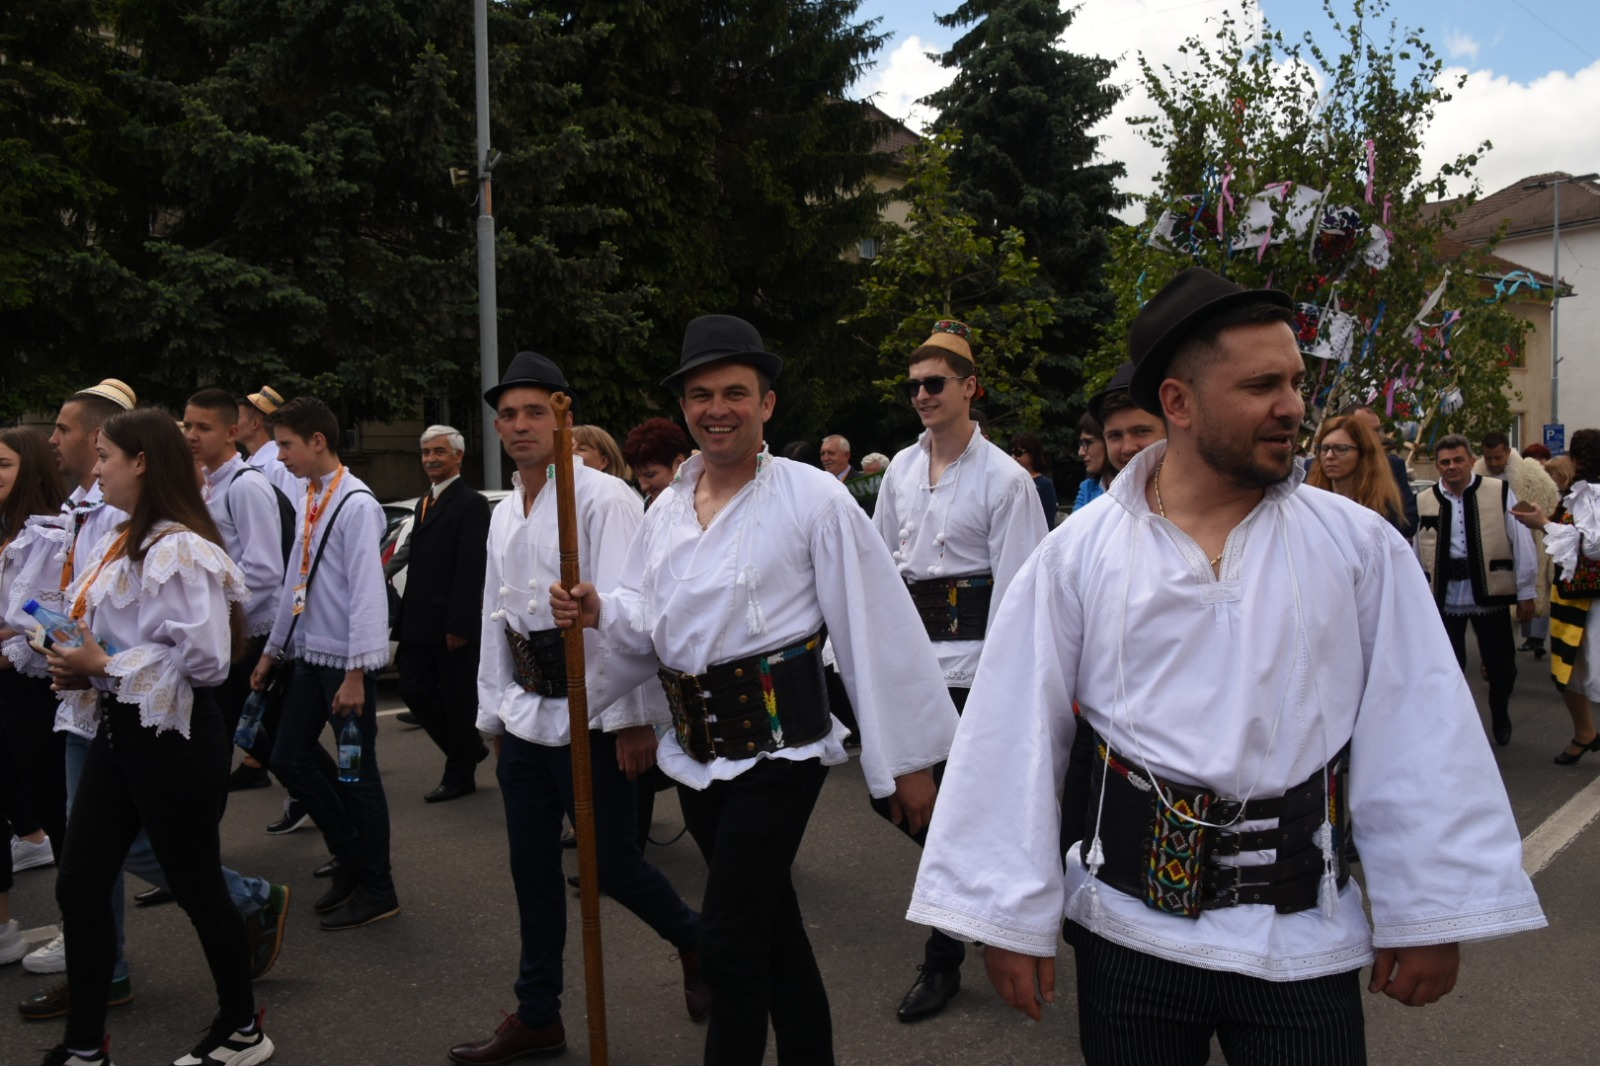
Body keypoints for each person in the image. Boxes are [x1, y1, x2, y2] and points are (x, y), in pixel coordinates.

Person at [909, 267, 1545, 1065]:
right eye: (1261, 385)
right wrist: (1008, 915)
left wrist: (1430, 909)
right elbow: (1015, 735)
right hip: (1128, 935)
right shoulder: (1078, 555)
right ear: (1178, 403)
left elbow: (1419, 724)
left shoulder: (1357, 547)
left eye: (1295, 382)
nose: (1293, 406)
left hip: (1303, 939)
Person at [552, 314, 958, 1065]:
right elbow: (649, 617)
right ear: (684, 406)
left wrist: (906, 762)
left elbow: (872, 626)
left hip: (781, 749)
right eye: (701, 395)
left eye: (735, 393)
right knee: (775, 932)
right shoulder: (665, 508)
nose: (718, 409)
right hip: (698, 754)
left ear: (766, 403)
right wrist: (601, 607)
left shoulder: (814, 498)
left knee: (730, 943)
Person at [446, 352, 708, 1064]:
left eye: (535, 411)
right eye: (509, 414)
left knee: (612, 868)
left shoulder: (602, 499)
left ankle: (695, 940)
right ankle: (539, 1015)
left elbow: (632, 610)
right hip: (528, 715)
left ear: (563, 417)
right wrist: (495, 717)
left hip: (595, 712)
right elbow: (497, 618)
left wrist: (634, 719)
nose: (520, 425)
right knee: (531, 871)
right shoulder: (507, 511)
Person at [43, 407, 272, 1066]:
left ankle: (242, 1029)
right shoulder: (120, 539)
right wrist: (80, 663)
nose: (97, 470)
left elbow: (207, 661)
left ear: (141, 462)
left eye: (106, 457)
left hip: (175, 741)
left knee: (197, 888)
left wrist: (103, 664)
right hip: (121, 733)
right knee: (79, 885)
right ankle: (84, 1046)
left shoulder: (176, 547)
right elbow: (118, 643)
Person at [874, 318, 1048, 1021]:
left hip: (972, 667)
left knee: (951, 810)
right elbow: (880, 562)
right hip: (913, 661)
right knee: (892, 790)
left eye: (935, 383)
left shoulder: (1007, 480)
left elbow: (1020, 591)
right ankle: (981, 887)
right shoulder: (899, 469)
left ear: (970, 387)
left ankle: (942, 959)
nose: (922, 395)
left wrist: (1005, 690)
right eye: (914, 385)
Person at [251, 396, 399, 931]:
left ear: (318, 442)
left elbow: (367, 592)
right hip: (311, 656)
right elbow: (297, 576)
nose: (279, 456)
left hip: (344, 664)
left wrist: (358, 673)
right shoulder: (312, 494)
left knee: (357, 773)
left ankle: (378, 886)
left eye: (286, 445)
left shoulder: (356, 504)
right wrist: (272, 651)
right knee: (288, 758)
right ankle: (351, 853)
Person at [1416, 435, 1537, 746]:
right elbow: (1415, 551)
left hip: (1490, 592)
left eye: (1458, 460)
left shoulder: (1499, 491)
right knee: (1447, 667)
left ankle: (1500, 710)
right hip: (1443, 596)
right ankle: (1455, 727)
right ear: (1437, 465)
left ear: (1471, 461)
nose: (1452, 466)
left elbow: (1521, 540)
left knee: (1502, 667)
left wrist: (1526, 592)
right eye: (1445, 462)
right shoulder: (1424, 499)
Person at [0, 427, 69, 969]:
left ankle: (84, 930)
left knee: (61, 811)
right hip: (8, 687)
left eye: (3, 464)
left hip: (36, 690)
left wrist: (9, 645)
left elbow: (52, 625)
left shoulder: (49, 535)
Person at [394, 426, 491, 803]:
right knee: (413, 689)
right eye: (426, 452)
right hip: (418, 619)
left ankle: (459, 774)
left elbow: (470, 567)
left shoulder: (471, 503)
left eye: (438, 451)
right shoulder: (425, 501)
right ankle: (468, 747)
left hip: (450, 623)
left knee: (456, 700)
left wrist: (459, 624)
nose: (431, 459)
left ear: (458, 456)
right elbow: (410, 553)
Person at [1512, 428, 1600, 764]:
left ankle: (1585, 733)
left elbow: (1593, 546)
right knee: (1569, 669)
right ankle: (1585, 733)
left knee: (1587, 669)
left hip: (1591, 598)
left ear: (1576, 458)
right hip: (1574, 594)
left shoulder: (1592, 492)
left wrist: (1544, 523)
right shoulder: (1581, 491)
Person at [1475, 431, 1562, 658]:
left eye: (1498, 458)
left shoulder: (1532, 476)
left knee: (1526, 600)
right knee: (1494, 616)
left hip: (1527, 543)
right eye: (1489, 458)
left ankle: (1527, 644)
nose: (1494, 463)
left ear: (1508, 452)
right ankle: (1495, 659)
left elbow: (1551, 509)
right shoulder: (1476, 475)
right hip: (1491, 550)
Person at [1304, 415, 1407, 534]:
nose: (1329, 456)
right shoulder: (1308, 502)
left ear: (1363, 453)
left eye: (1341, 448)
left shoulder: (1383, 508)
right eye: (1325, 448)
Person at [1343, 405, 1418, 539]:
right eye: (1367, 430)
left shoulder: (1393, 466)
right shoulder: (1313, 468)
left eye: (1378, 430)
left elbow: (1409, 522)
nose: (1376, 437)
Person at [235, 386, 301, 500]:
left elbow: (292, 507)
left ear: (254, 423)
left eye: (238, 418)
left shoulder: (280, 465)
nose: (233, 424)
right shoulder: (248, 461)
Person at [622, 417, 695, 508]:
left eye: (650, 475)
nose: (643, 486)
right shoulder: (649, 504)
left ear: (679, 463)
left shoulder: (701, 503)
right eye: (638, 477)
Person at [1009, 432, 1058, 530]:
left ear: (1032, 454)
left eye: (1018, 453)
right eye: (1011, 453)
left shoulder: (1044, 485)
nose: (1013, 457)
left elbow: (1047, 522)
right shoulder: (1011, 482)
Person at [1072, 412, 1112, 511]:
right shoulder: (1088, 488)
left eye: (1088, 442)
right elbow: (1076, 520)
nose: (1081, 452)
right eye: (1081, 443)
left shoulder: (1141, 488)